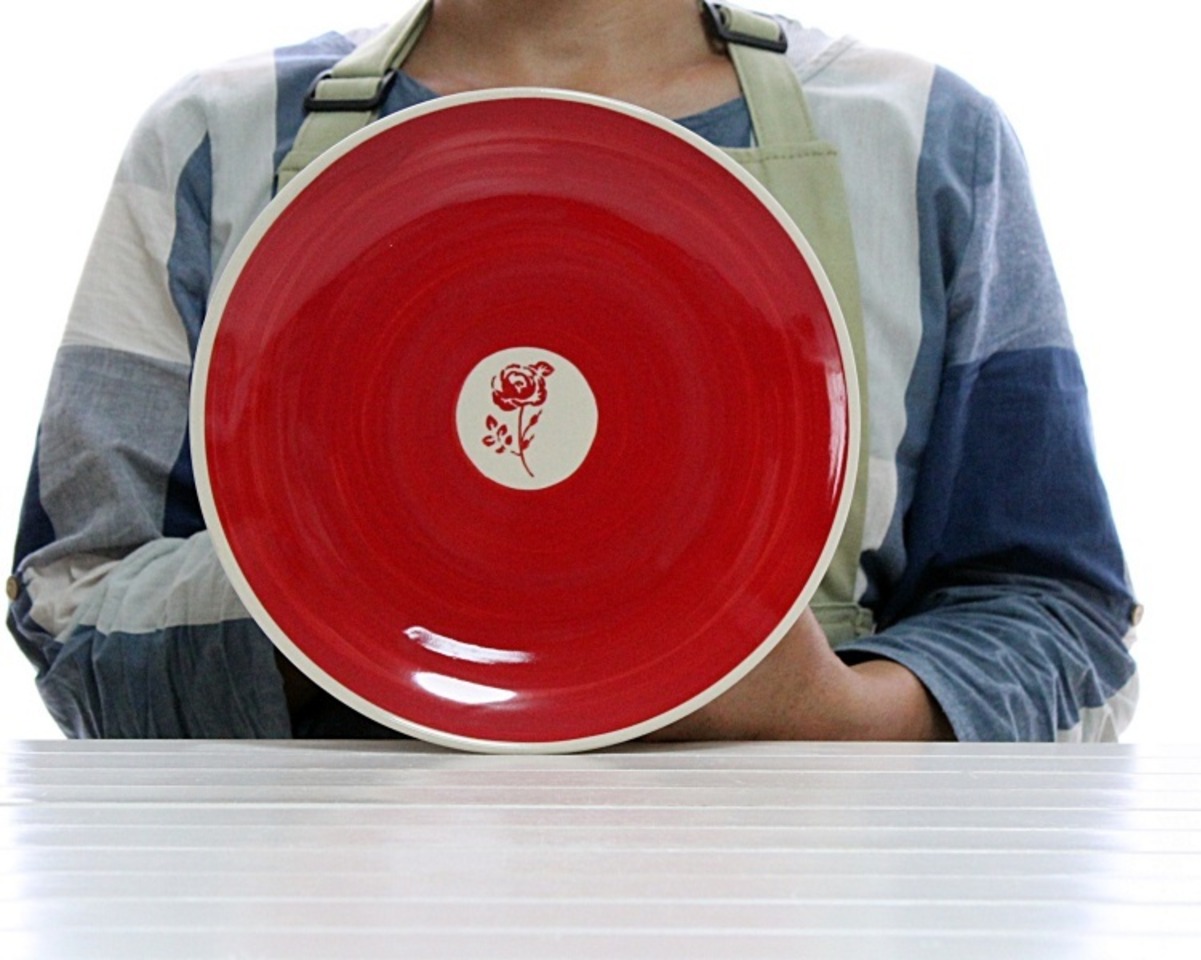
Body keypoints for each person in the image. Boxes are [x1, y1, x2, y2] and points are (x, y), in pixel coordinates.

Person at [5, 0, 1139, 742]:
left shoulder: (929, 139)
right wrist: (344, 599)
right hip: (333, 898)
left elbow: (1063, 620)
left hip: (792, 892)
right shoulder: (212, 145)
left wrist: (832, 712)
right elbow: (71, 613)